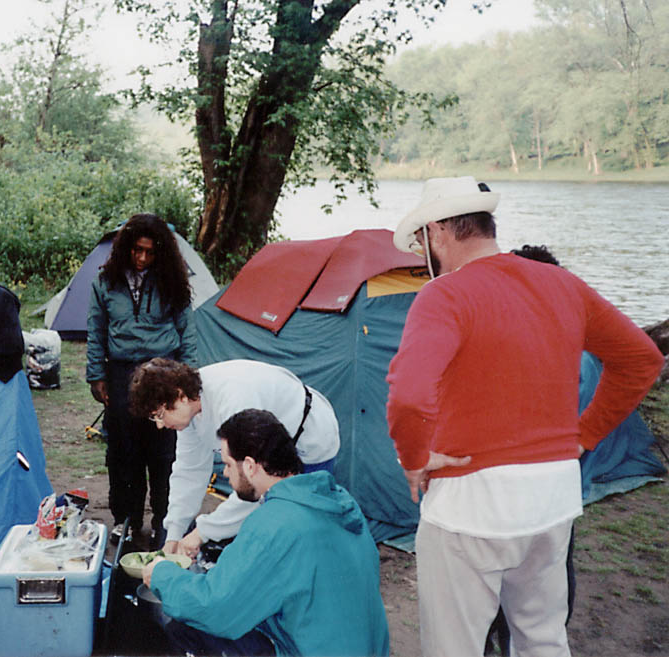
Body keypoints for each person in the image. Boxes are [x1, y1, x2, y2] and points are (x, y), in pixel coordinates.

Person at [386, 176, 664, 656]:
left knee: (455, 647)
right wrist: (584, 436)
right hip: (552, 496)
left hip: (469, 505)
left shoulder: (445, 294)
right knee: (542, 639)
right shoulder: (562, 283)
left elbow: (408, 396)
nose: (420, 253)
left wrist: (414, 457)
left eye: (419, 242)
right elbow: (642, 359)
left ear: (439, 231)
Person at [141, 408, 389, 657]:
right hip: (361, 646)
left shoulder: (274, 522)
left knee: (187, 625)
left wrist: (162, 574)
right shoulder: (335, 500)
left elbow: (216, 607)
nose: (225, 473)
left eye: (227, 464)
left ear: (249, 466)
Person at [128, 358, 339, 558]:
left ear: (179, 395)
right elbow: (188, 471)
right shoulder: (189, 412)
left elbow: (251, 486)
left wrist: (201, 533)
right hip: (269, 452)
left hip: (308, 437)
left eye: (159, 415)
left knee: (305, 528)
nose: (160, 425)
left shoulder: (234, 400)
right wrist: (174, 534)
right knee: (276, 526)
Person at [86, 214, 196, 548]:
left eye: (150, 252)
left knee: (164, 452)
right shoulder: (105, 282)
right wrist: (97, 375)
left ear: (160, 252)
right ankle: (125, 519)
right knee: (123, 450)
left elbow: (186, 330)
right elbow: (96, 331)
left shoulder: (173, 281)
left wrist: (188, 380)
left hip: (164, 372)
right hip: (122, 373)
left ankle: (165, 521)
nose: (143, 258)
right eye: (137, 250)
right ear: (126, 248)